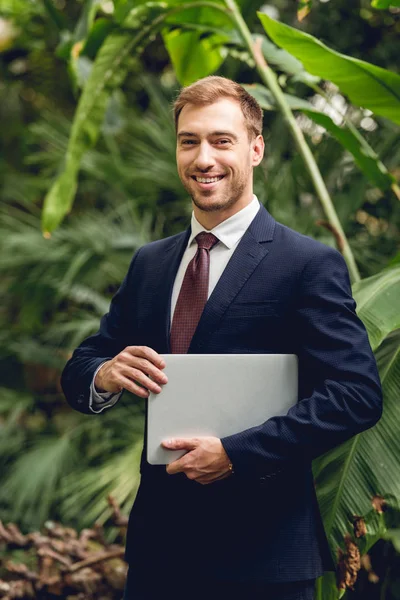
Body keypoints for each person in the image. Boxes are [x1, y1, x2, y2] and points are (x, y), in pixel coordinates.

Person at [61, 76, 382, 600]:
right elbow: (82, 365)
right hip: (159, 558)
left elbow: (356, 395)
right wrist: (103, 373)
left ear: (255, 149)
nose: (203, 157)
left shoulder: (307, 263)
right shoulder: (150, 263)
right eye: (189, 141)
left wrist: (239, 453)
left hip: (265, 559)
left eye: (221, 140)